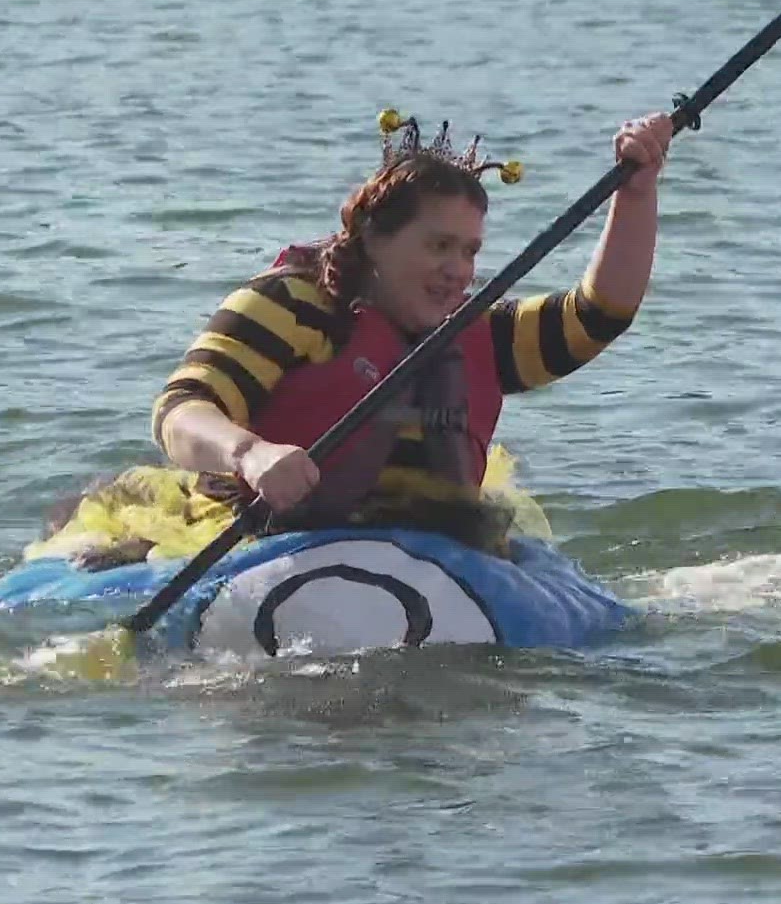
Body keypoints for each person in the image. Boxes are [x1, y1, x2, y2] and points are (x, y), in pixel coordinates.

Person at [35, 108, 675, 569]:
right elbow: (180, 413)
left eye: (471, 250)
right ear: (374, 240)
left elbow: (599, 315)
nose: (460, 268)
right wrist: (250, 454)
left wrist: (637, 191)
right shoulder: (290, 304)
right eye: (439, 245)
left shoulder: (477, 328)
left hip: (430, 543)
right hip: (269, 538)